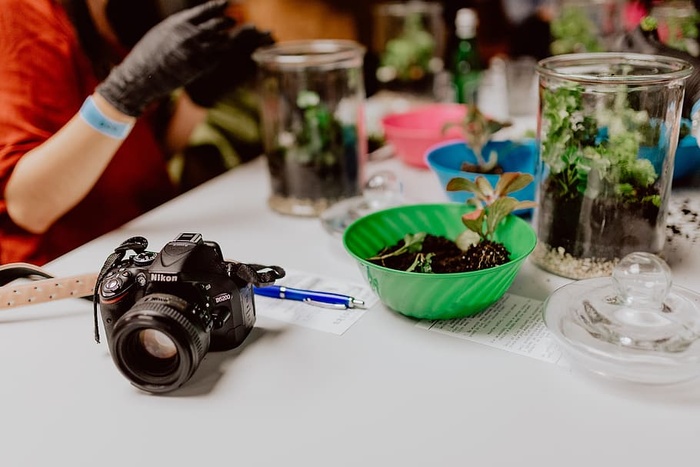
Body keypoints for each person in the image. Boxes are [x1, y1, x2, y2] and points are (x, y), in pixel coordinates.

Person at [0, 0, 271, 266]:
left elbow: (135, 160)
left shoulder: (113, 15)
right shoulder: (20, 12)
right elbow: (27, 208)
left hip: (136, 248)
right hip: (62, 273)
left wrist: (198, 99)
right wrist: (124, 94)